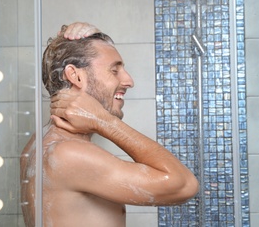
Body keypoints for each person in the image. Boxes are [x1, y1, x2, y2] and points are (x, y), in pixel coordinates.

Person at [20, 22, 199, 227]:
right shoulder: (68, 153)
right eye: (115, 70)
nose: (129, 80)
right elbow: (184, 185)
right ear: (75, 76)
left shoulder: (37, 143)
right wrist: (104, 121)